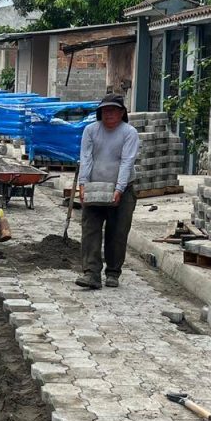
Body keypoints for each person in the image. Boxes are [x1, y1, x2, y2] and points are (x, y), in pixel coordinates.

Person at [76, 93, 140, 290]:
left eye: (113, 110)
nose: (109, 114)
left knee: (117, 231)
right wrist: (83, 184)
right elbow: (86, 157)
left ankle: (113, 272)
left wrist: (119, 189)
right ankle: (91, 273)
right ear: (100, 113)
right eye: (105, 110)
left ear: (122, 113)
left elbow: (127, 161)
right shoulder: (91, 131)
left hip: (124, 188)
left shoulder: (129, 133)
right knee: (90, 230)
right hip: (95, 187)